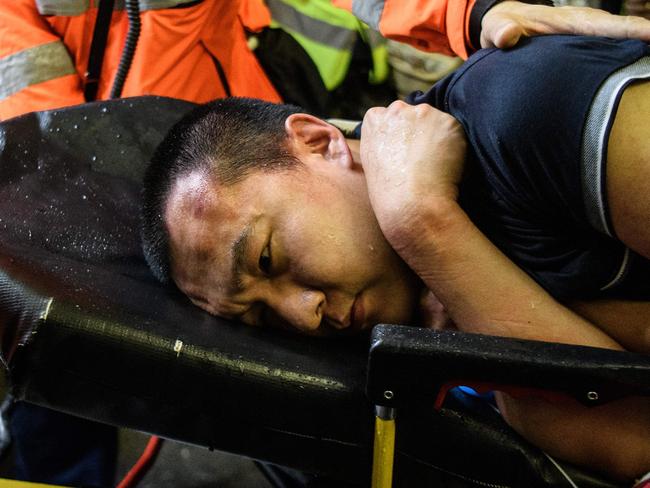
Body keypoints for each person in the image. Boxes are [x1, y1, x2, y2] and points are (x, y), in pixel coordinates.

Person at [141, 34, 650, 481]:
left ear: (318, 142)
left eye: (267, 259)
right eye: (259, 316)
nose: (304, 315)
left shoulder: (529, 110)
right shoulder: (437, 311)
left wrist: (420, 220)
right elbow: (631, 442)